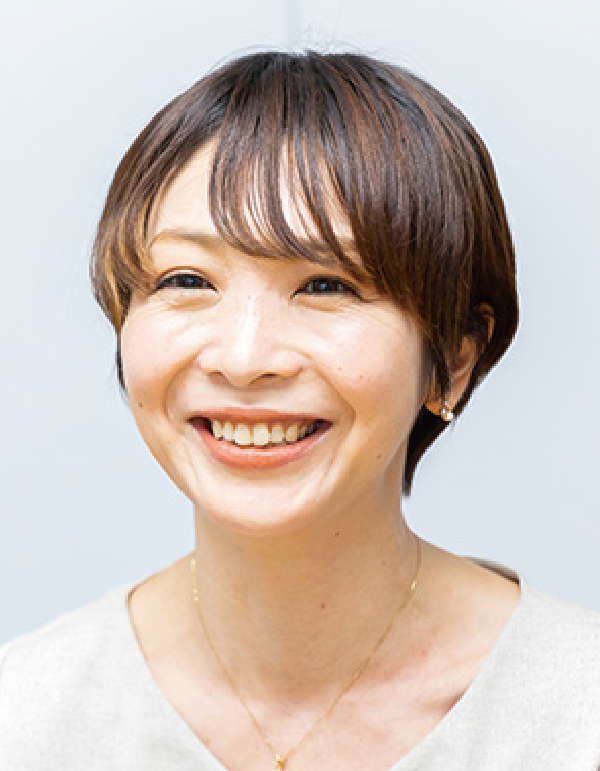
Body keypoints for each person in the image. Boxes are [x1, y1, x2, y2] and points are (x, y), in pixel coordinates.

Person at [1, 49, 599, 771]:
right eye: (187, 279)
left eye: (326, 285)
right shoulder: (25, 717)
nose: (244, 357)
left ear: (454, 358)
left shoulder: (577, 710)